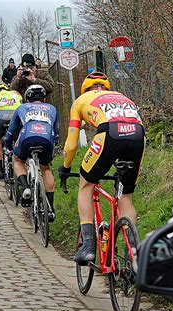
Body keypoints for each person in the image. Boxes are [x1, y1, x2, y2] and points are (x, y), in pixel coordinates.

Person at [58, 72, 145, 265]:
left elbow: (71, 144)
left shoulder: (80, 101)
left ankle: (88, 247)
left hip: (110, 132)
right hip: (138, 135)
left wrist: (65, 167)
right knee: (125, 195)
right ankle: (133, 253)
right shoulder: (123, 97)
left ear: (85, 89)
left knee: (86, 185)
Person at [5, 85, 59, 220]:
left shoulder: (22, 108)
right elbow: (57, 133)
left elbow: (10, 132)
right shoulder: (52, 108)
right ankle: (50, 209)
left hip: (27, 137)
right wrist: (55, 143)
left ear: (26, 98)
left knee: (18, 160)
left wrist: (9, 147)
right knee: (46, 168)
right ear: (44, 98)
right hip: (46, 138)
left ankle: (26, 187)